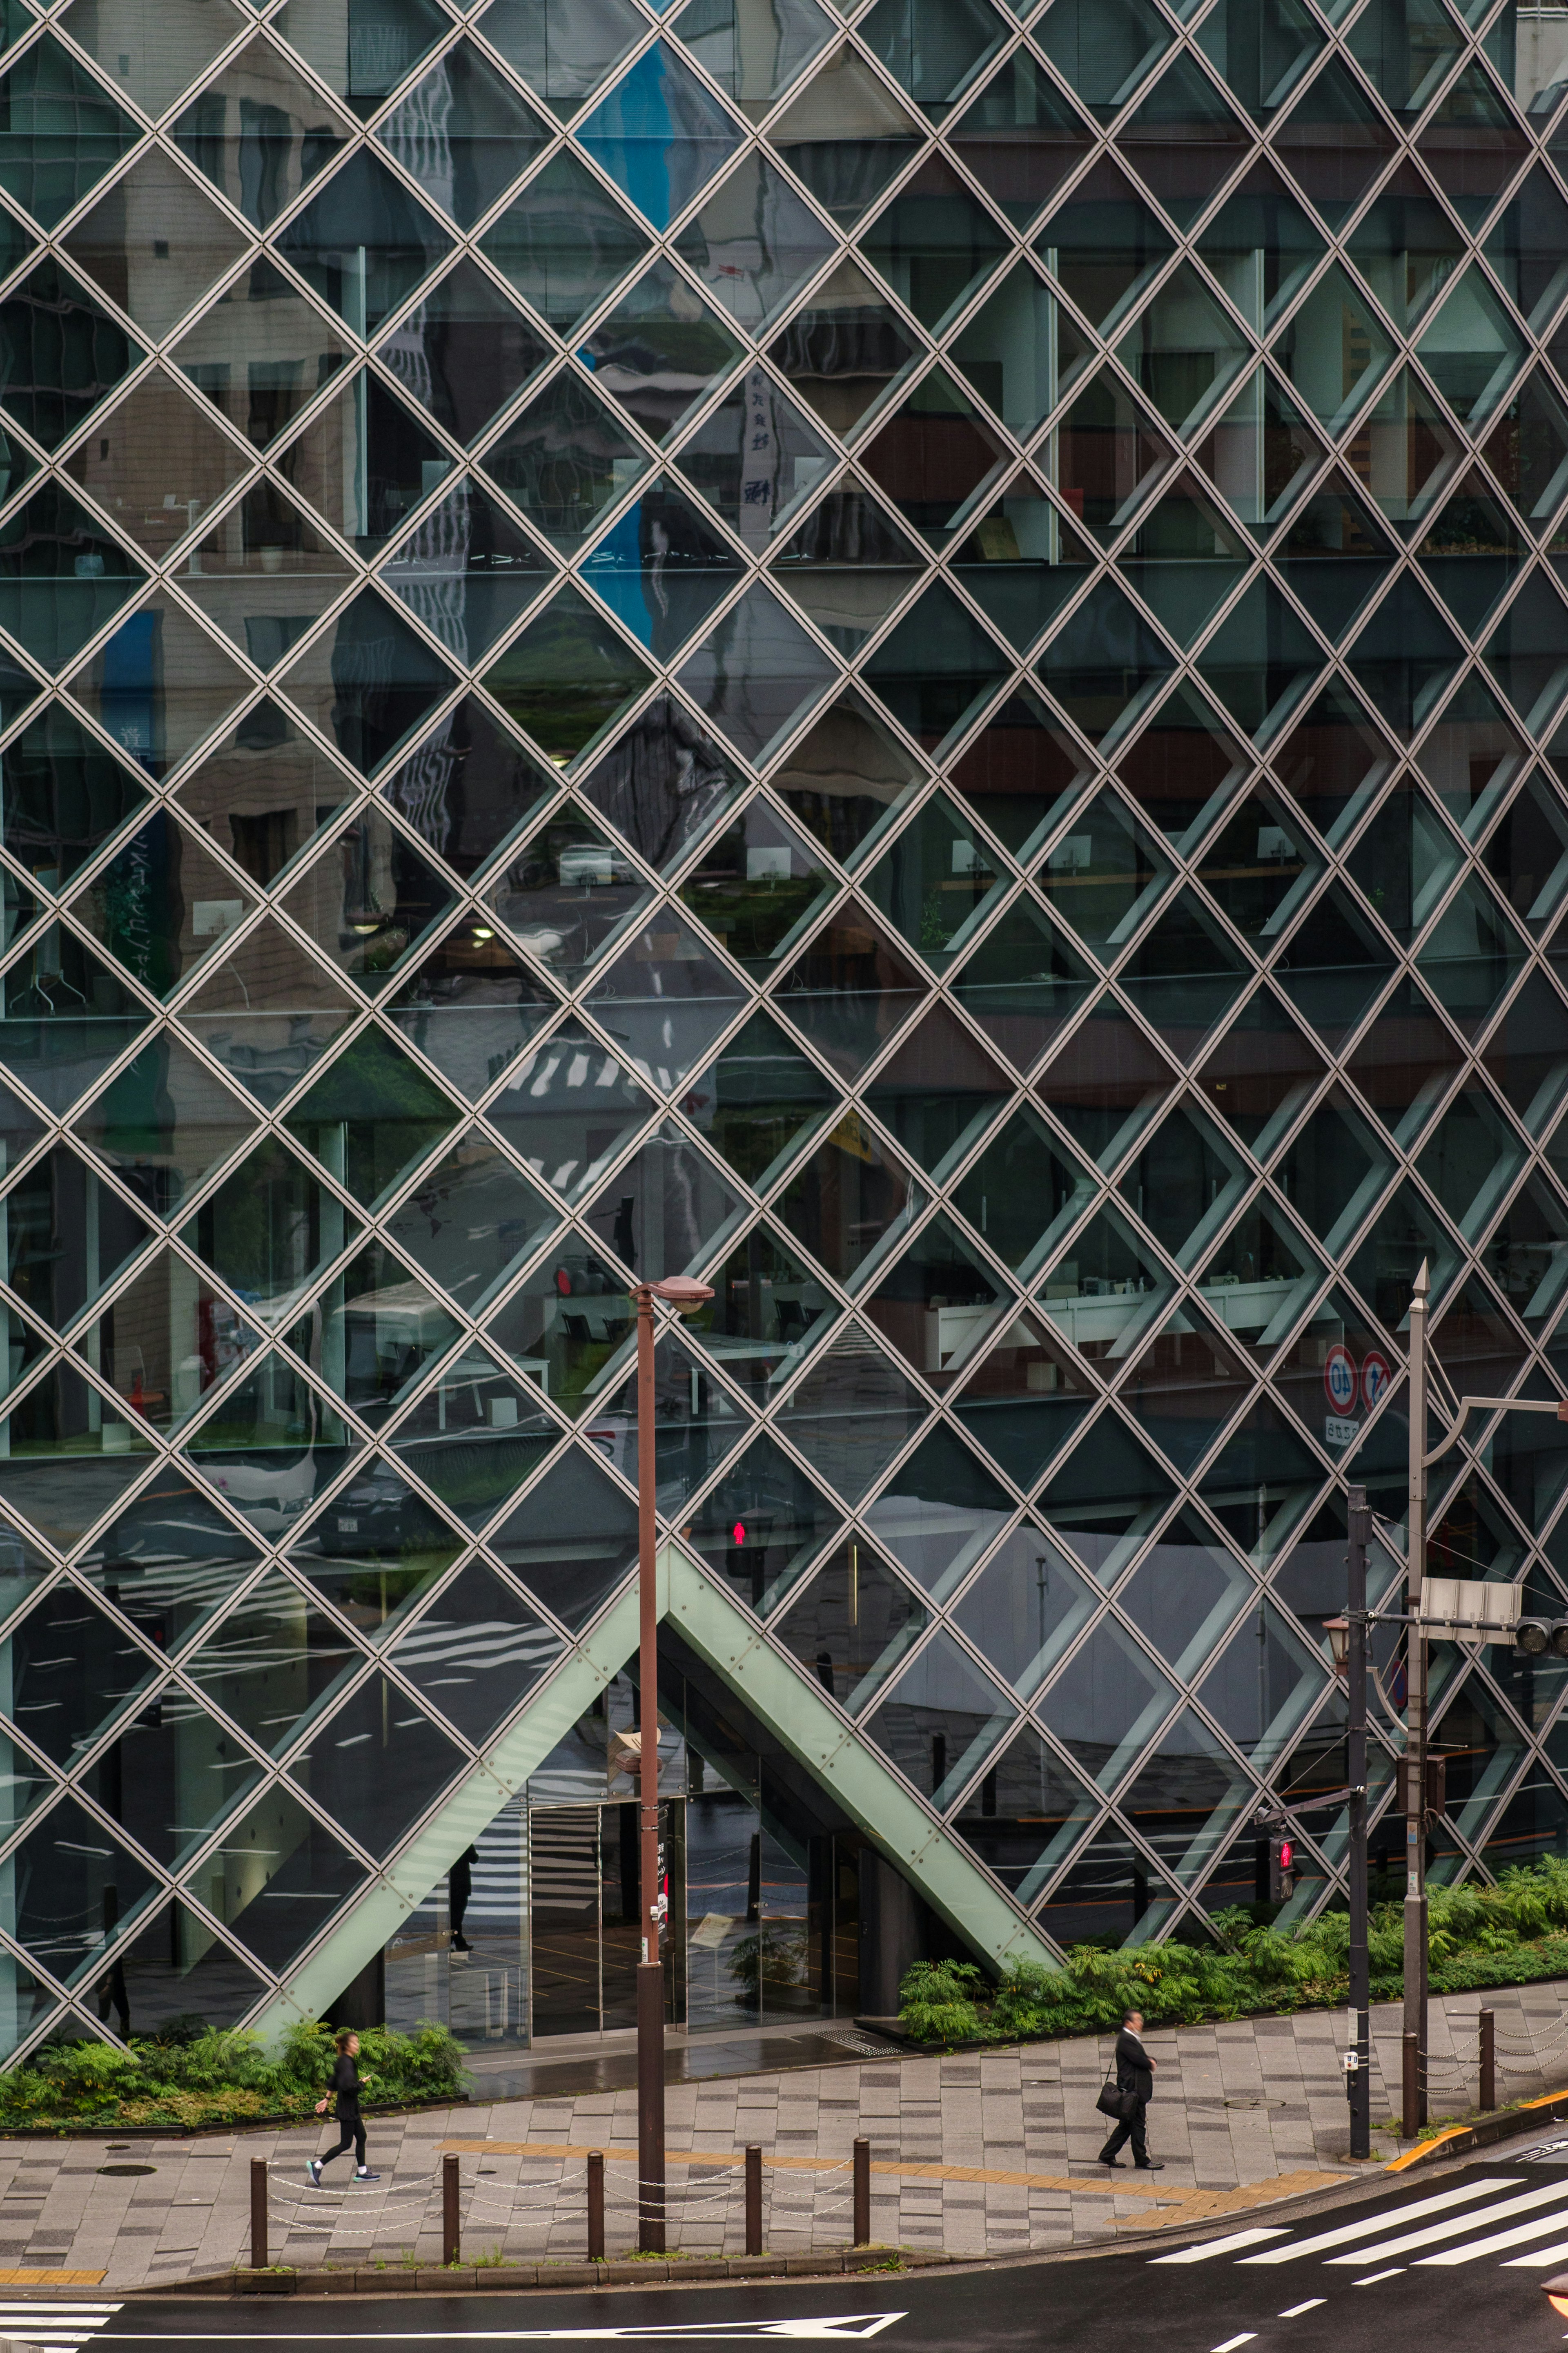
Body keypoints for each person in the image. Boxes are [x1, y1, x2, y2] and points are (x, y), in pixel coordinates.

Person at [307, 2029, 379, 2184]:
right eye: (355, 2043)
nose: (358, 2045)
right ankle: (317, 2166)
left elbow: (333, 2082)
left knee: (362, 2137)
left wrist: (327, 2099)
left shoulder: (343, 2061)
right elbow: (348, 2087)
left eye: (357, 2042)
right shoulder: (347, 2063)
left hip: (350, 2108)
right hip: (348, 2110)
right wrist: (362, 2083)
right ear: (347, 2046)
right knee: (345, 2144)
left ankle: (363, 2172)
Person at [1097, 2007, 1164, 2171]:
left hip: (1133, 2089)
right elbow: (1138, 2059)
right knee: (1138, 2124)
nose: (1141, 2023)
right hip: (1133, 2090)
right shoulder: (1127, 2039)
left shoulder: (1129, 2037)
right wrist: (1150, 2062)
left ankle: (1107, 2155)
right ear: (1129, 2023)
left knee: (1127, 2125)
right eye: (1138, 2020)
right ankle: (1142, 2160)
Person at [450, 1844, 478, 1954]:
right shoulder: (466, 1843)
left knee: (455, 1915)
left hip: (452, 1884)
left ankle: (458, 1942)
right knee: (457, 1915)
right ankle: (457, 1943)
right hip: (461, 1884)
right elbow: (474, 1859)